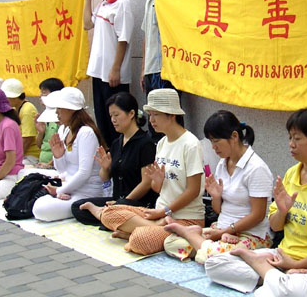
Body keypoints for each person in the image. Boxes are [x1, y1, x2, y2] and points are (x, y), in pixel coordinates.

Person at [205, 108, 307, 297]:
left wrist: (298, 265)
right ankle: (275, 278)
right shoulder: (292, 174)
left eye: (297, 139)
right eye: (290, 138)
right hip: (282, 255)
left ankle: (267, 274)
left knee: (293, 291)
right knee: (214, 264)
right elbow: (276, 226)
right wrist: (282, 212)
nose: (291, 144)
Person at [79, 88, 205, 255]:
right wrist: (157, 183)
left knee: (140, 241)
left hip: (186, 218)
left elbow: (193, 190)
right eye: (150, 115)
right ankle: (153, 228)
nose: (151, 120)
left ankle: (137, 232)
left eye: (156, 115)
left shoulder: (190, 144)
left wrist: (163, 211)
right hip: (159, 215)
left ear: (171, 115)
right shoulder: (162, 143)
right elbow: (157, 189)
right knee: (110, 212)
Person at [163, 110, 273, 263]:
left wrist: (228, 231)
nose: (213, 147)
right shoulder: (223, 163)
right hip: (222, 228)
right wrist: (216, 197)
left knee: (211, 256)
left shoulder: (256, 168)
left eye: (216, 141)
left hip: (251, 234)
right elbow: (219, 210)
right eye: (211, 142)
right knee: (170, 243)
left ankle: (193, 238)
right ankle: (203, 245)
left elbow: (258, 215)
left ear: (234, 136)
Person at [72, 92, 157, 226]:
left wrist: (122, 204)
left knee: (114, 212)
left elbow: (146, 183)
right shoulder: (117, 143)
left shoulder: (145, 143)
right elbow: (105, 178)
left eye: (116, 115)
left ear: (131, 114)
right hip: (117, 201)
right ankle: (114, 221)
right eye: (111, 116)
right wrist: (105, 168)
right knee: (78, 207)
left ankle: (113, 219)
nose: (113, 120)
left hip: (137, 203)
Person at [31, 87, 105, 222]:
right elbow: (63, 170)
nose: (57, 112)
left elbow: (84, 173)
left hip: (86, 192)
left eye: (60, 108)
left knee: (41, 209)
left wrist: (59, 190)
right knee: (35, 197)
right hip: (68, 187)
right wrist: (58, 156)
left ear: (71, 109)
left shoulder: (86, 133)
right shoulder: (63, 130)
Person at [83, 0, 134, 147]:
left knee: (117, 125)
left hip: (113, 76)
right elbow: (87, 24)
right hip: (98, 73)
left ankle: (120, 158)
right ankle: (109, 158)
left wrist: (115, 69)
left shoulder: (123, 4)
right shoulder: (103, 4)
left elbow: (123, 39)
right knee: (103, 122)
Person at [139, 0, 176, 142]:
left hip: (165, 69)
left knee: (167, 121)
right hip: (151, 68)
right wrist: (143, 69)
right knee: (153, 121)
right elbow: (148, 34)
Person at [0, 78, 40, 165]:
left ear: (15, 97)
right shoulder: (16, 108)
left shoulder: (27, 110)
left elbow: (27, 139)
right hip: (22, 154)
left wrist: (15, 158)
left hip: (31, 156)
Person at [35, 78, 64, 168]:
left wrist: (49, 165)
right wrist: (41, 132)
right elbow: (39, 145)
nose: (40, 96)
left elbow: (65, 148)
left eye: (44, 92)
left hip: (56, 165)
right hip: (43, 163)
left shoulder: (61, 118)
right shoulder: (44, 117)